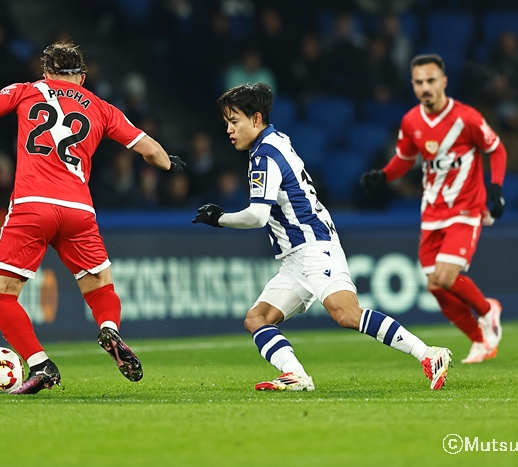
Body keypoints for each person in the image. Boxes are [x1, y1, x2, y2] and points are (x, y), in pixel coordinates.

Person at [192, 83, 452, 391]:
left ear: (256, 119)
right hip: (296, 257)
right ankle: (296, 375)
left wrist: (219, 218)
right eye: (226, 123)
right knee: (257, 318)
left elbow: (258, 215)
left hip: (313, 247)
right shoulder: (275, 141)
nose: (229, 130)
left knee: (346, 313)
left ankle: (430, 354)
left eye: (234, 121)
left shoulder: (265, 155)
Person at [0, 41, 186, 394]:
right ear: (82, 75)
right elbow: (152, 151)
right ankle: (109, 327)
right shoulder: (101, 107)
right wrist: (170, 164)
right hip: (79, 210)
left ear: (45, 72)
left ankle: (40, 363)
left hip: (32, 205)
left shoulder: (26, 91)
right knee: (100, 286)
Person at [360, 54, 507, 364]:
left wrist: (496, 188)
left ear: (444, 82)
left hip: (466, 208)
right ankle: (480, 339)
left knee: (445, 275)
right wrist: (384, 174)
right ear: (413, 85)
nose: (425, 87)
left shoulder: (466, 118)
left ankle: (487, 309)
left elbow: (496, 148)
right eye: (419, 82)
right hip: (432, 211)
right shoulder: (412, 121)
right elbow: (404, 158)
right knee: (435, 286)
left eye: (430, 81)